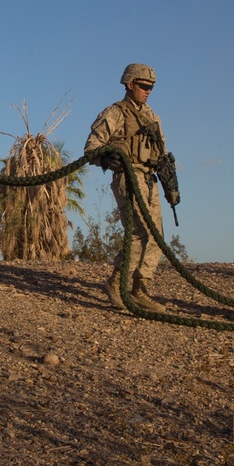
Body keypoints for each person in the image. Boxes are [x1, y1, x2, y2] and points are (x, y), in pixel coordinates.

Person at [85, 63, 173, 312]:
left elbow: (161, 152)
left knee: (156, 235)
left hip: (148, 178)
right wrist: (104, 158)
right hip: (128, 176)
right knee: (138, 231)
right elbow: (91, 147)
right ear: (130, 84)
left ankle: (139, 288)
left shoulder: (152, 116)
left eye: (151, 87)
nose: (148, 91)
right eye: (144, 86)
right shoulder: (115, 113)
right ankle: (116, 282)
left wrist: (168, 180)